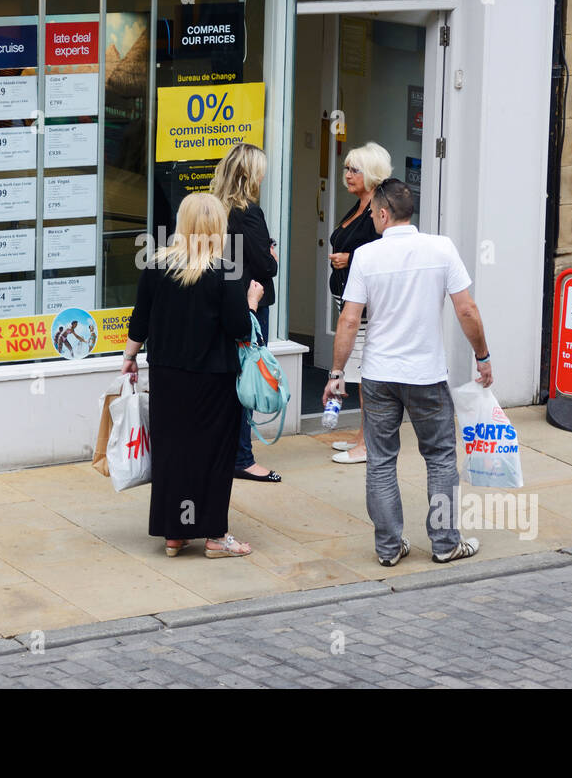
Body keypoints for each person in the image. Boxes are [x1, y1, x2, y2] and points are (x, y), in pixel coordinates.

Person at [322, 178, 492, 568]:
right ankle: (446, 543)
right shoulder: (441, 247)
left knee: (381, 460)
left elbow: (349, 321)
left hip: (379, 375)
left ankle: (388, 548)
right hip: (426, 374)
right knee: (440, 457)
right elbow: (467, 310)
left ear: (382, 214)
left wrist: (336, 373)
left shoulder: (366, 255)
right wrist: (482, 356)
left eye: (374, 215)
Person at [123, 193, 264, 559]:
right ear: (218, 225)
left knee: (173, 452)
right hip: (214, 379)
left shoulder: (156, 266)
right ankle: (215, 536)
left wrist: (129, 358)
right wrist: (251, 303)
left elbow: (140, 319)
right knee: (213, 456)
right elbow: (239, 330)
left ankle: (175, 533)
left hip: (169, 376)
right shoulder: (226, 270)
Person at [210, 141, 281, 484]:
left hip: (219, 302)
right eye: (261, 171)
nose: (264, 177)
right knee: (246, 381)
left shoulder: (213, 208)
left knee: (225, 381)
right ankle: (242, 457)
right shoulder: (248, 211)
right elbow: (266, 265)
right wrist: (272, 256)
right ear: (250, 175)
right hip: (248, 304)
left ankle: (223, 453)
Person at [327, 141, 393, 464]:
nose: (348, 175)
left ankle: (367, 445)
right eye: (347, 168)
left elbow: (382, 254)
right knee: (361, 374)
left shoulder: (379, 211)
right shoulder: (359, 206)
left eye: (355, 170)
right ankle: (361, 436)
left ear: (372, 174)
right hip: (350, 300)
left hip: (369, 307)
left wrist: (349, 258)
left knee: (368, 376)